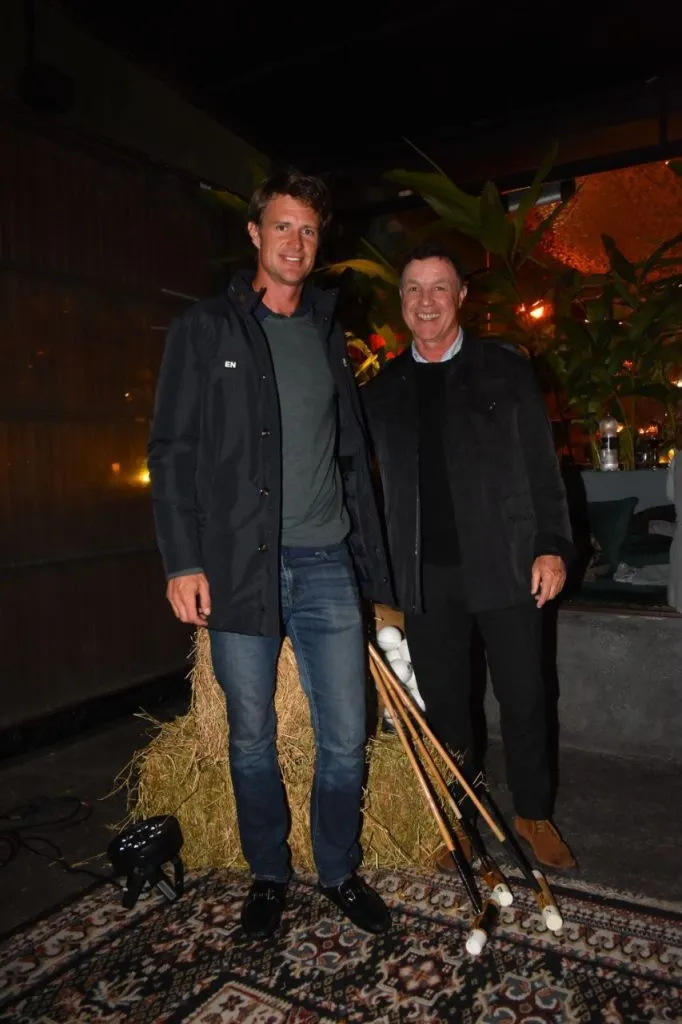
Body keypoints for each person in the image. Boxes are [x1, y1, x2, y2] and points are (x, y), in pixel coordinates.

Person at [148, 169, 394, 939]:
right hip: (236, 566)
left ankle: (339, 868)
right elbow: (173, 449)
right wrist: (181, 560)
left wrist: (374, 577)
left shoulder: (328, 332)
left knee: (346, 738)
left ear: (320, 245)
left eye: (310, 231)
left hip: (325, 562)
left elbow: (351, 456)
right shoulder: (204, 330)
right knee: (249, 736)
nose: (296, 242)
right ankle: (268, 873)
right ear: (255, 235)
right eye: (283, 227)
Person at [361, 242, 577, 871]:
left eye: (438, 288)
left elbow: (544, 467)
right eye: (412, 289)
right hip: (425, 576)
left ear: (461, 297)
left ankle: (533, 815)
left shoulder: (504, 369)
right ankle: (461, 819)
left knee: (525, 697)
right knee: (446, 707)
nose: (425, 301)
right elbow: (362, 486)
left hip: (508, 562)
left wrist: (552, 547)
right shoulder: (383, 390)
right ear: (402, 303)